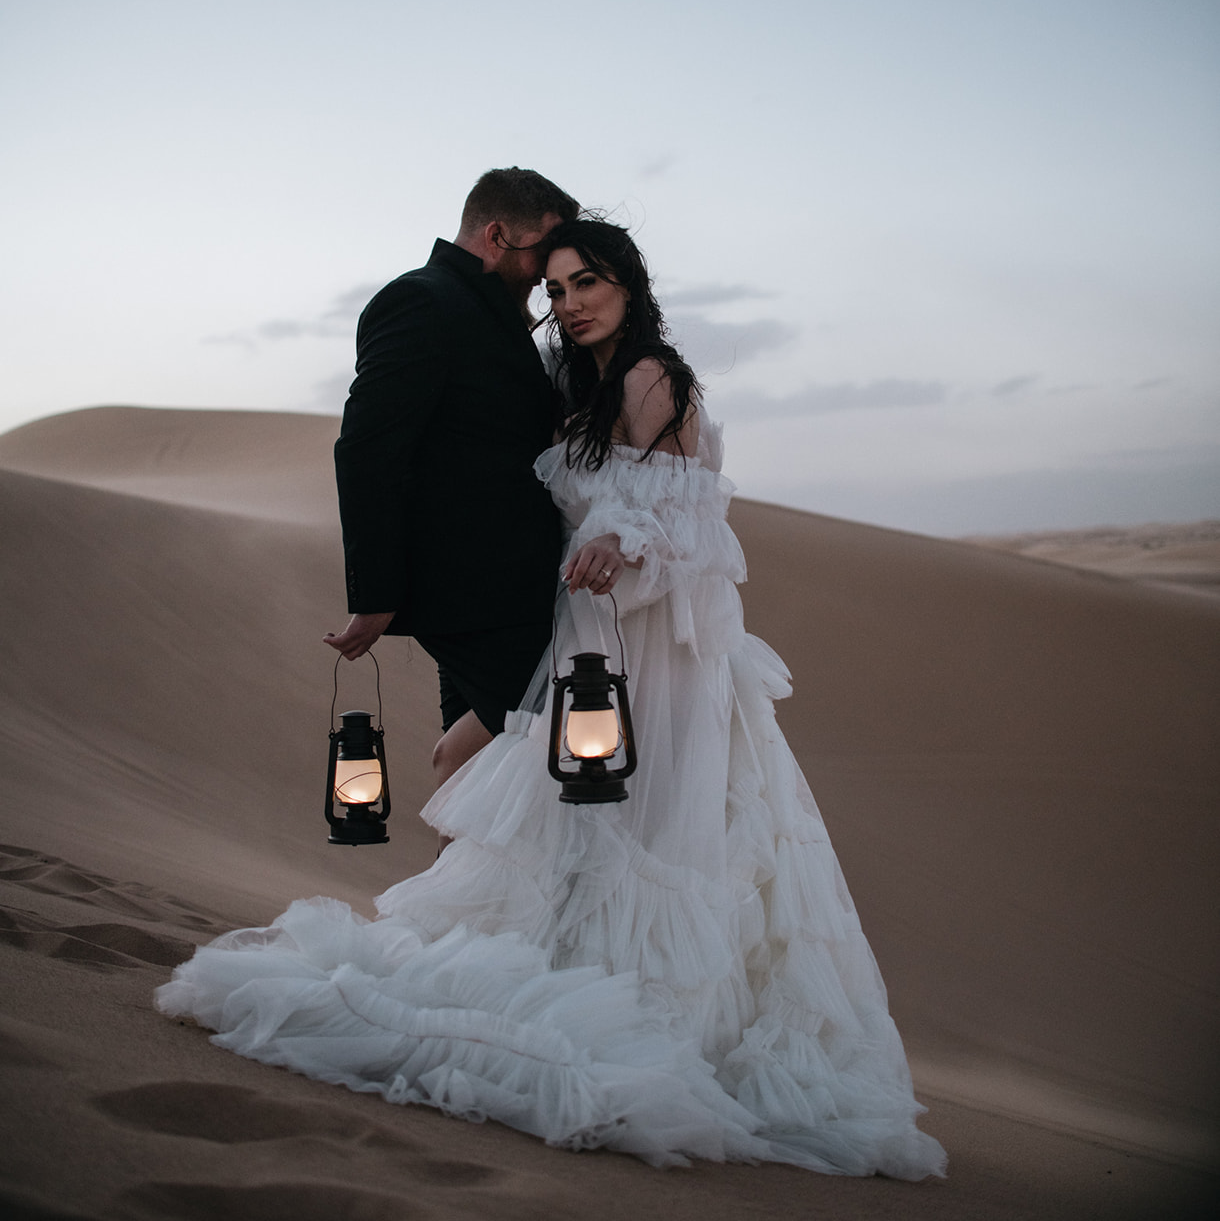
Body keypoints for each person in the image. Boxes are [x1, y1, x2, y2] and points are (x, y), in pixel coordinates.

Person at [158, 218, 947, 1180]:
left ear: (628, 284)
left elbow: (684, 523)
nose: (570, 303)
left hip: (647, 651)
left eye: (589, 284)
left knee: (614, 825)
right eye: (558, 287)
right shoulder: (580, 379)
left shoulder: (654, 376)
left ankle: (632, 1016)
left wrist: (623, 547)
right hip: (585, 636)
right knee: (538, 811)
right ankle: (573, 978)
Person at [324, 167, 578, 791]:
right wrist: (376, 593)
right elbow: (367, 449)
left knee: (488, 787)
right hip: (476, 598)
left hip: (508, 596)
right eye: (544, 251)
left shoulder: (494, 314)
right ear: (496, 235)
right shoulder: (422, 300)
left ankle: (464, 891)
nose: (550, 275)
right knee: (497, 772)